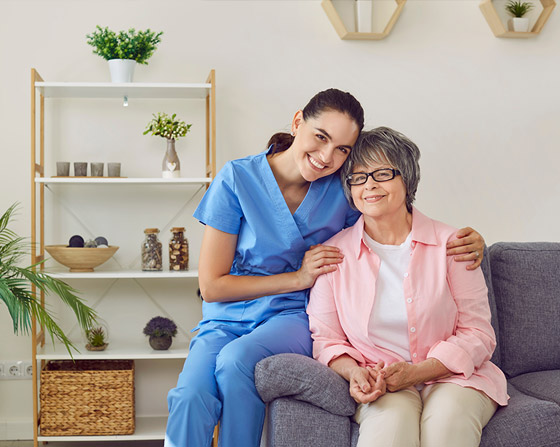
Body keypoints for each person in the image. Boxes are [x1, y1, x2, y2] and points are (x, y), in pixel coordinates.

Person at [164, 91, 485, 447]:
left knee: (236, 362)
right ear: (298, 121)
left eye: (343, 150)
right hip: (225, 315)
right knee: (190, 396)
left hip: (290, 315)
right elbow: (211, 287)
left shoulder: (343, 187)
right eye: (320, 137)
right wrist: (298, 278)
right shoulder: (238, 178)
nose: (326, 157)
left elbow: (391, 220)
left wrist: (467, 240)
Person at [307, 126, 509, 447]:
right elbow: (327, 339)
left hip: (455, 376)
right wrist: (354, 372)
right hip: (382, 381)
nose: (369, 184)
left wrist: (418, 373)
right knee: (389, 430)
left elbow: (478, 333)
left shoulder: (453, 245)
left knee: (446, 424)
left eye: (382, 173)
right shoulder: (334, 255)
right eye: (358, 177)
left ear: (407, 178)